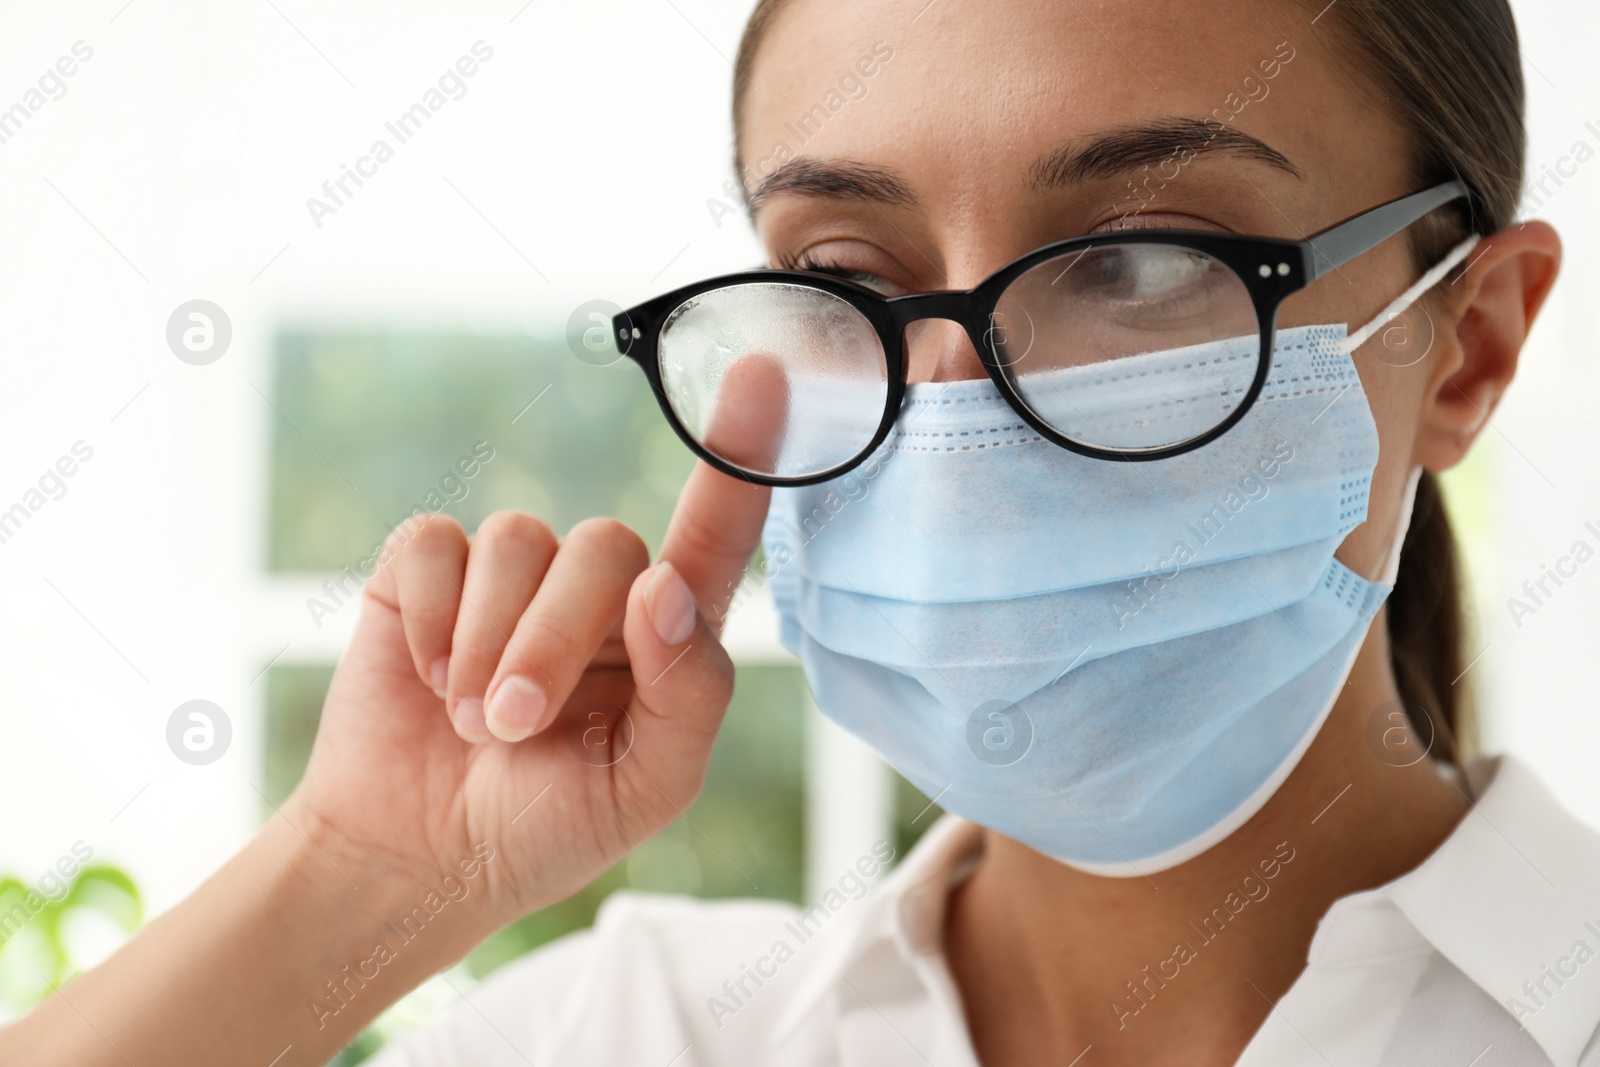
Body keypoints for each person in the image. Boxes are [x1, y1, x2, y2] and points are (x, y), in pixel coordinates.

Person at [1, 0, 1577, 1063]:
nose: (955, 411)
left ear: (1475, 344)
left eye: (1145, 261)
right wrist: (360, 886)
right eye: (848, 280)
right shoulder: (624, 1033)